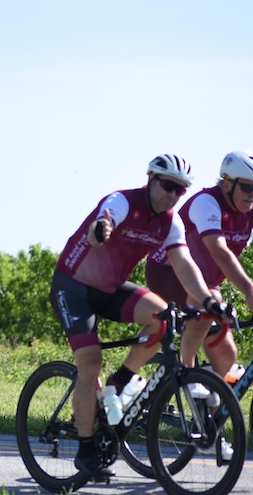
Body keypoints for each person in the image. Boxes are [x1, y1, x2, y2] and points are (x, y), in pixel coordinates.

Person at [49, 154, 225, 478]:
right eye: (168, 186)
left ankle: (120, 381)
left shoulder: (171, 221)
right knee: (90, 361)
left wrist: (207, 300)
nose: (173, 195)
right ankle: (87, 450)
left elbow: (185, 265)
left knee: (163, 318)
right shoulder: (122, 202)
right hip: (72, 286)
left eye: (180, 190)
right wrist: (101, 230)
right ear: (151, 180)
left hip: (110, 288)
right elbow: (101, 224)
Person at [146, 151, 253, 394]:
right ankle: (186, 374)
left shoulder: (249, 209)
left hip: (206, 285)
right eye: (246, 187)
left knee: (227, 354)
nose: (251, 195)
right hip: (168, 273)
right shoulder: (207, 203)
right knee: (209, 301)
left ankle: (207, 421)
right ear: (227, 183)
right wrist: (248, 290)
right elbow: (219, 250)